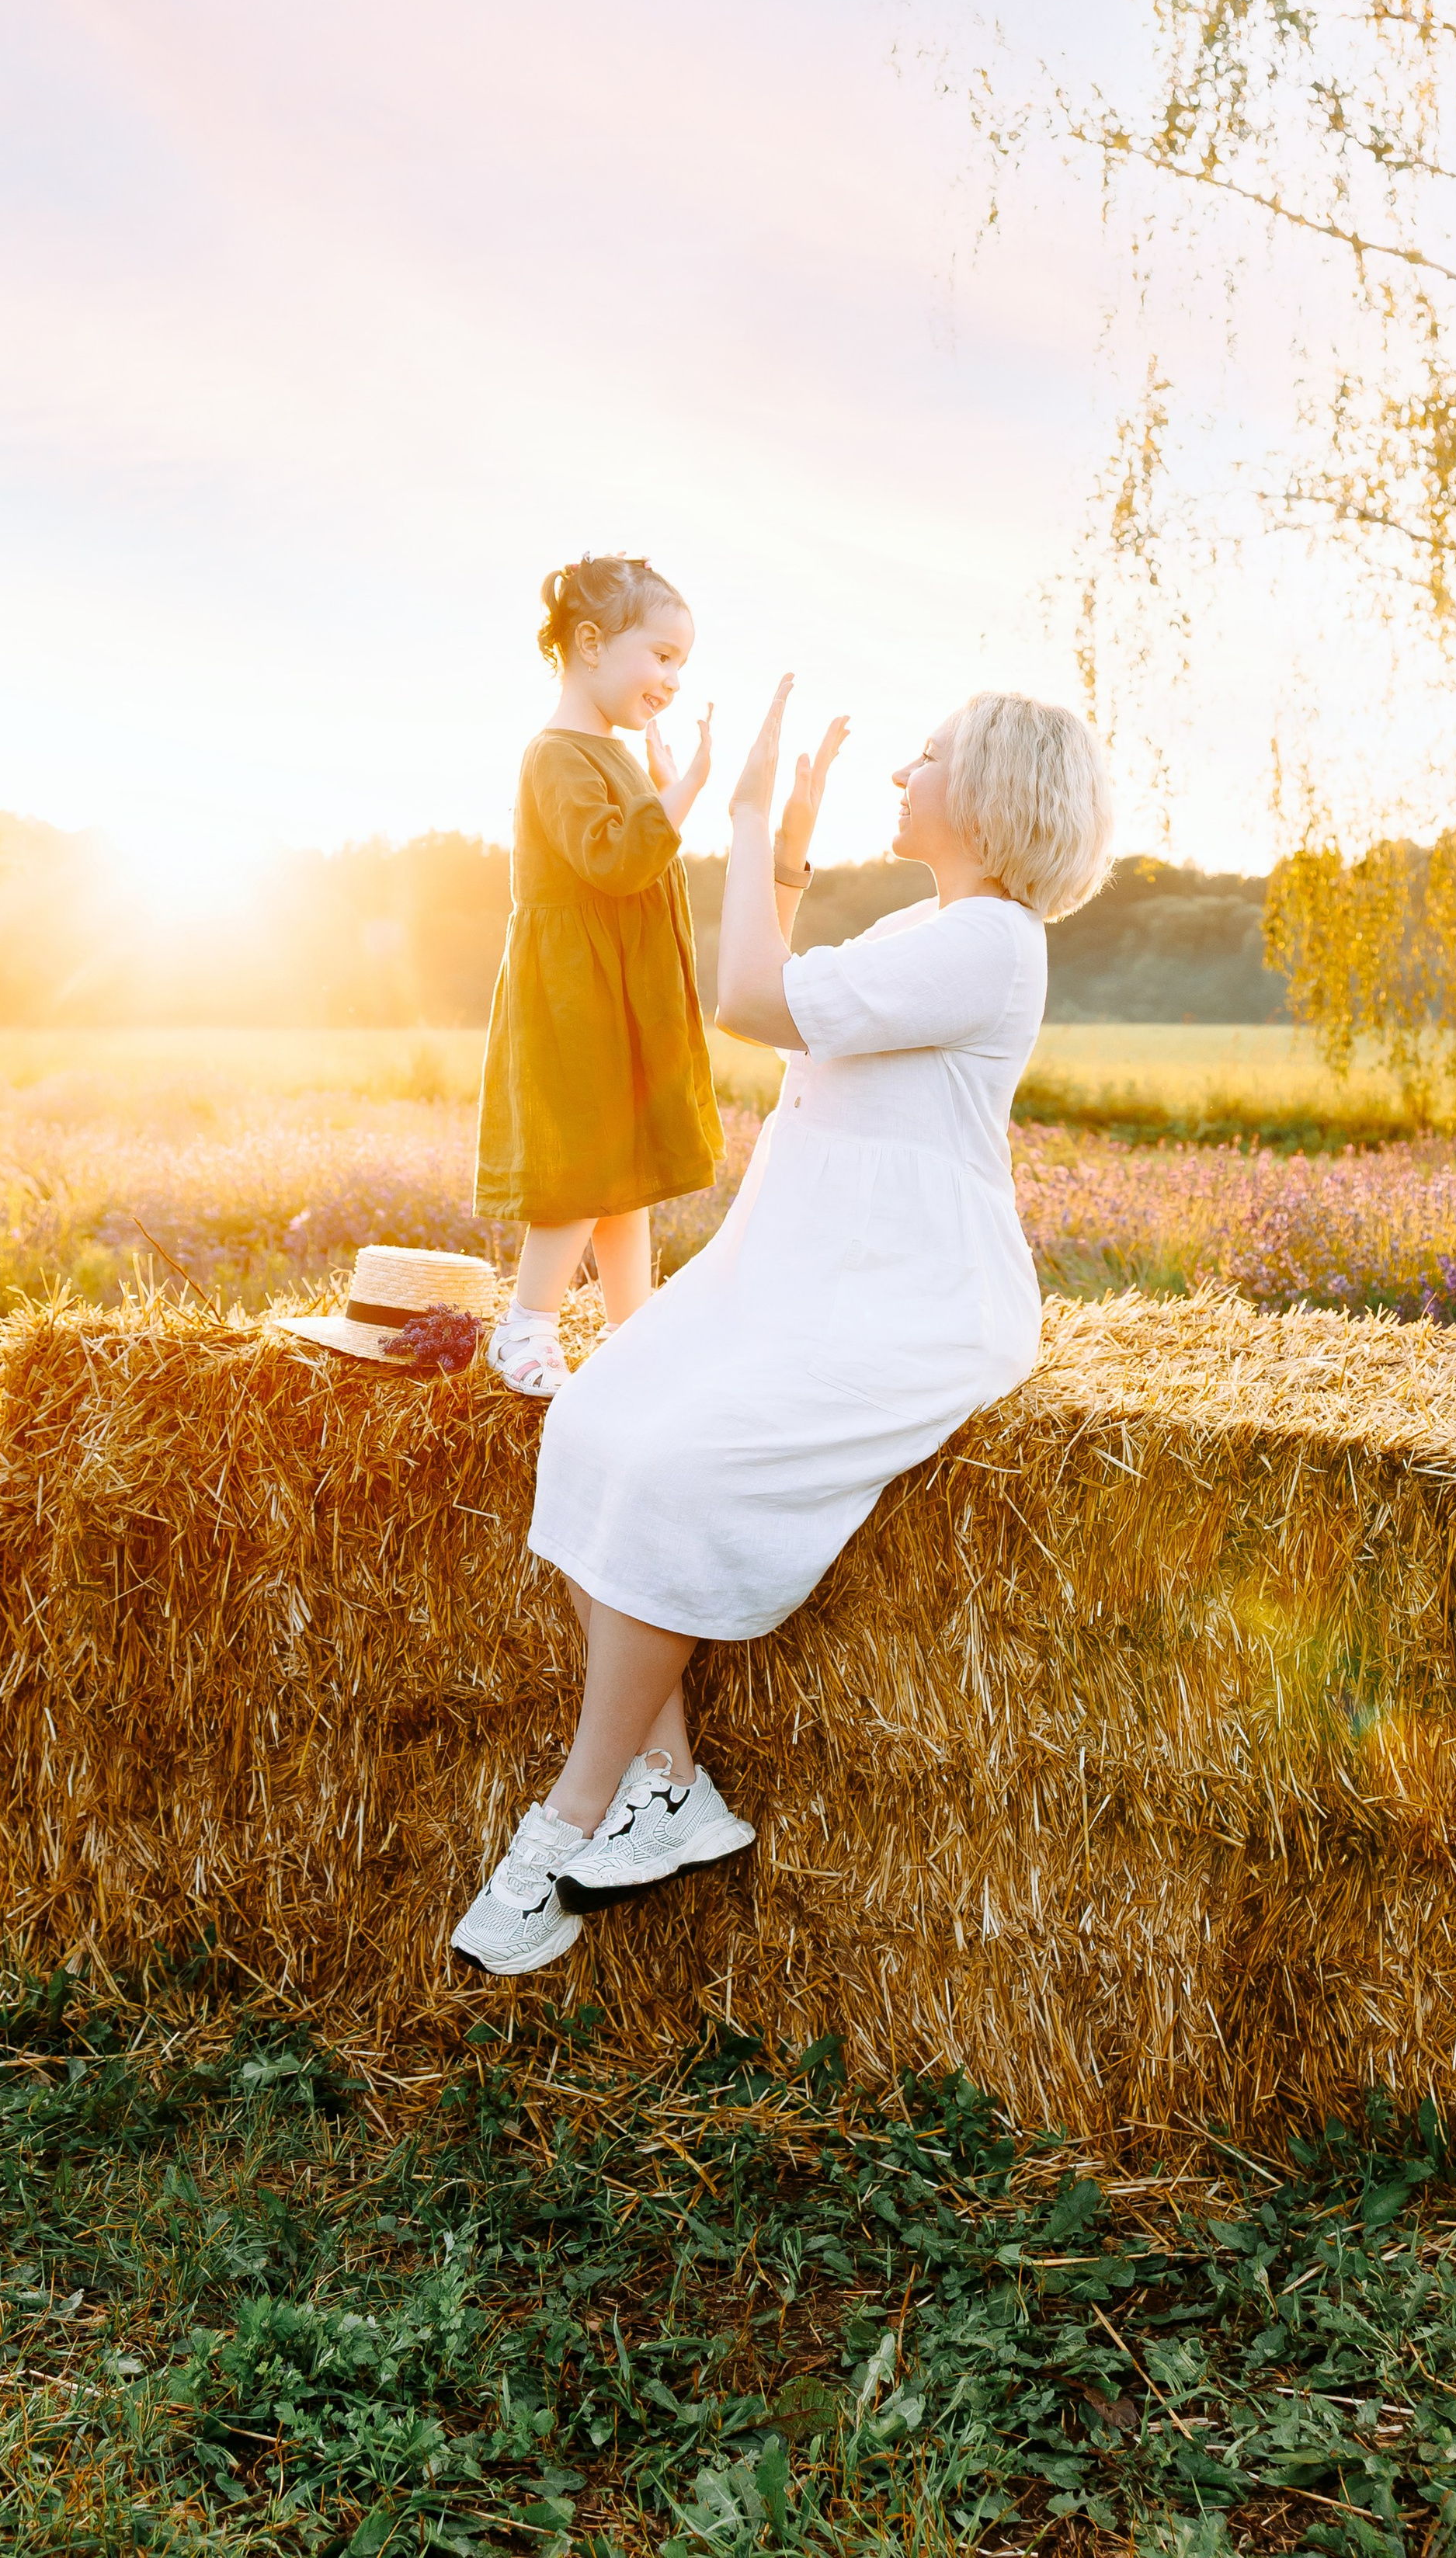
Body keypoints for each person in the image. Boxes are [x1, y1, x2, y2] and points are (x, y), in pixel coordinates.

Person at [452, 677, 1115, 1976]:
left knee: (675, 1470)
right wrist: (788, 852)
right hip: (800, 1270)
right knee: (593, 1425)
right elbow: (784, 989)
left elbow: (745, 998)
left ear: (985, 792)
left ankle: (569, 1819)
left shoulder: (988, 941)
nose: (900, 774)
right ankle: (669, 1787)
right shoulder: (936, 927)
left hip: (909, 1293)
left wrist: (751, 818)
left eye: (921, 756)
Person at [475, 554, 725, 1397]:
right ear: (590, 643)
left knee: (625, 1177)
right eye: (661, 656)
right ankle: (526, 1326)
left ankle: (633, 1334)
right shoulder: (556, 755)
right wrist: (683, 789)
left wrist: (656, 787)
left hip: (620, 995)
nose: (673, 679)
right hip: (576, 1000)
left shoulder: (611, 754)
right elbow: (614, 862)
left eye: (682, 663)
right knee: (586, 1166)